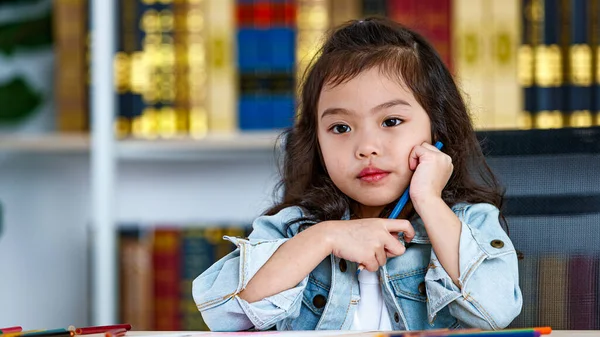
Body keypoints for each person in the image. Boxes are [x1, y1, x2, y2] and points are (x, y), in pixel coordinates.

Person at [193, 17, 522, 332]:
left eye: (391, 121)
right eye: (340, 127)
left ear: (437, 127)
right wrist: (326, 238)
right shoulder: (294, 229)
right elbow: (223, 313)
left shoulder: (470, 222)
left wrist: (428, 200)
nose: (365, 147)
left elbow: (494, 312)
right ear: (316, 142)